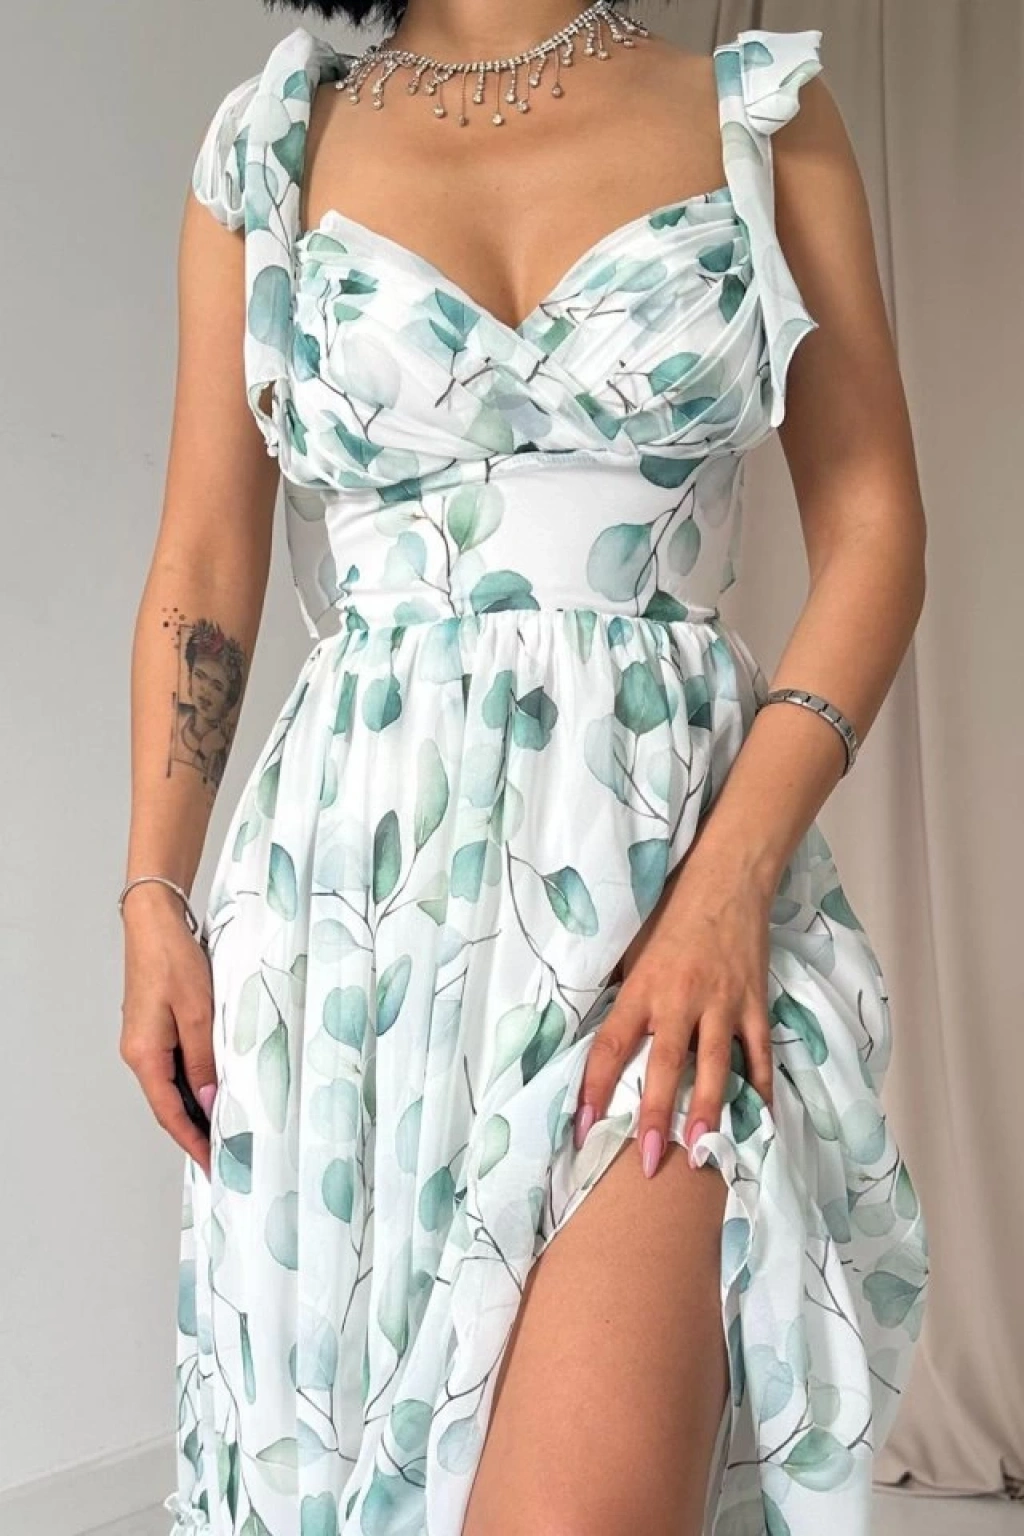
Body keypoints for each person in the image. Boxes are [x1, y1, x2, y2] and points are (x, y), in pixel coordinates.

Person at [118, 3, 931, 1533]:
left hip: (664, 890)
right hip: (347, 936)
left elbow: (877, 532)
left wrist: (728, 888)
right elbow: (206, 558)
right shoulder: (269, 146)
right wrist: (153, 889)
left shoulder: (756, 117)